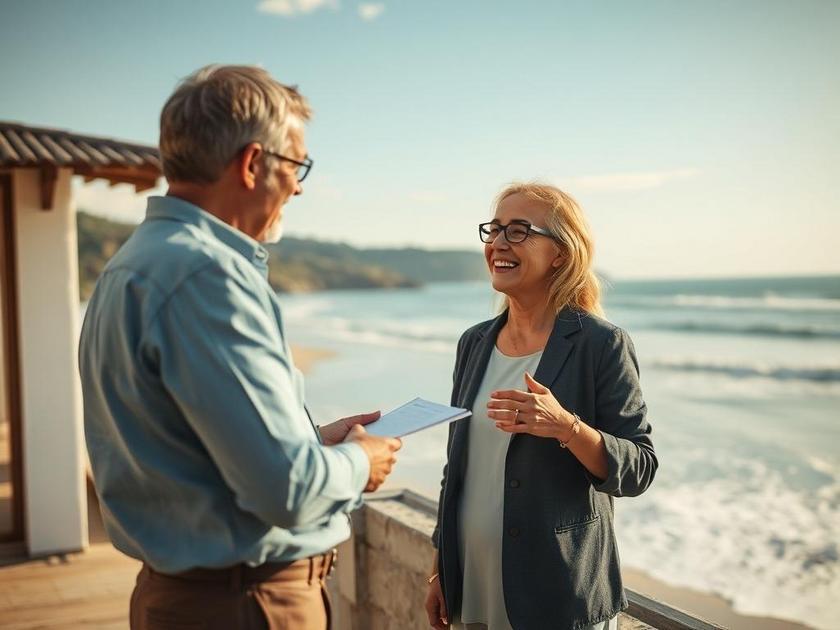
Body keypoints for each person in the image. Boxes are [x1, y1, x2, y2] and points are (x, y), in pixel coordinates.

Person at [79, 65, 402, 630]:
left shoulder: (134, 263)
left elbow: (182, 446)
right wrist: (360, 462)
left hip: (185, 596)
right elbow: (288, 490)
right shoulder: (207, 275)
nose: (299, 187)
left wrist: (309, 441)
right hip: (243, 604)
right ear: (253, 163)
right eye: (297, 165)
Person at [424, 183, 658, 630]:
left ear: (560, 254)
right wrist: (441, 567)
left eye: (518, 231)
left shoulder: (601, 344)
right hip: (472, 584)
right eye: (494, 230)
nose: (498, 243)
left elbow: (639, 469)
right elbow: (457, 468)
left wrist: (566, 426)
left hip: (557, 594)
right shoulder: (474, 342)